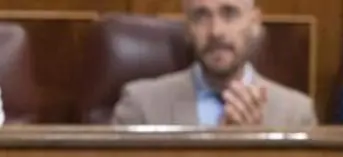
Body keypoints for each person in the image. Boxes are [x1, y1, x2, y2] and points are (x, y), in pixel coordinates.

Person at [112, 0, 316, 128]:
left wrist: (253, 151)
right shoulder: (141, 106)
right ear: (188, 28)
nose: (216, 31)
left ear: (254, 23)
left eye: (230, 13)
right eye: (201, 16)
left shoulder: (296, 114)